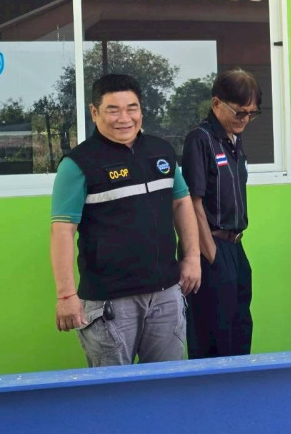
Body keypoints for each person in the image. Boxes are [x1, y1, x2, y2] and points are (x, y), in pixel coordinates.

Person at [50, 74, 201, 367]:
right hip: (109, 303)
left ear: (141, 110)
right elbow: (62, 231)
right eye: (113, 110)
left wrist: (192, 258)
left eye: (132, 108)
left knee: (166, 384)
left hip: (166, 295)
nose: (124, 118)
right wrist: (66, 295)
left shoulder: (161, 151)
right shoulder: (78, 164)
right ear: (94, 112)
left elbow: (181, 202)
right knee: (113, 390)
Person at [181, 69, 261, 358]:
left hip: (236, 247)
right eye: (239, 112)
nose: (245, 119)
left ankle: (238, 386)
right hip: (210, 247)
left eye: (251, 113)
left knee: (240, 329)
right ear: (216, 103)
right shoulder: (200, 139)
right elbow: (192, 203)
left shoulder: (234, 140)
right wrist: (211, 254)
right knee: (214, 336)